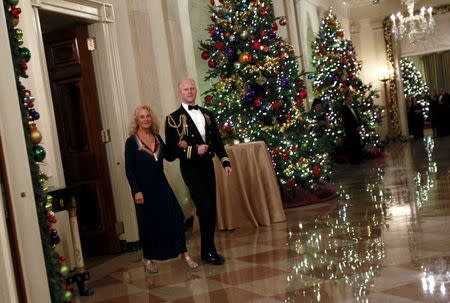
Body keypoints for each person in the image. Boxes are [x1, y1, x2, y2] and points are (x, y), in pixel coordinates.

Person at [165, 78, 232, 265]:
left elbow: (217, 141)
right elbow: (171, 150)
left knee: (211, 209)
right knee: (205, 207)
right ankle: (209, 251)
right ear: (180, 92)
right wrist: (194, 150)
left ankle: (208, 250)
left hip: (208, 166)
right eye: (186, 89)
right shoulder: (173, 119)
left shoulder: (207, 114)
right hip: (191, 168)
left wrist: (225, 161)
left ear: (196, 90)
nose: (189, 91)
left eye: (192, 88)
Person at [125, 105, 198, 274]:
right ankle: (148, 258)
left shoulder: (157, 137)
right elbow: (129, 170)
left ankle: (184, 254)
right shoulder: (131, 141)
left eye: (148, 116)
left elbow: (169, 156)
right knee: (148, 225)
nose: (146, 119)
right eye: (142, 117)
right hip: (143, 190)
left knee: (177, 216)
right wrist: (136, 191)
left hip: (161, 185)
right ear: (137, 120)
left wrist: (181, 146)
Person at [341, 94, 362, 164]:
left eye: (352, 99)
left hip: (356, 129)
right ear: (347, 100)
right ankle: (354, 160)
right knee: (352, 145)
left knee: (357, 144)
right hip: (351, 130)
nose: (352, 100)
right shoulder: (344, 109)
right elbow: (347, 121)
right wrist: (355, 127)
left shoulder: (353, 108)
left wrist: (359, 125)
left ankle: (359, 159)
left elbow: (356, 118)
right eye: (350, 99)